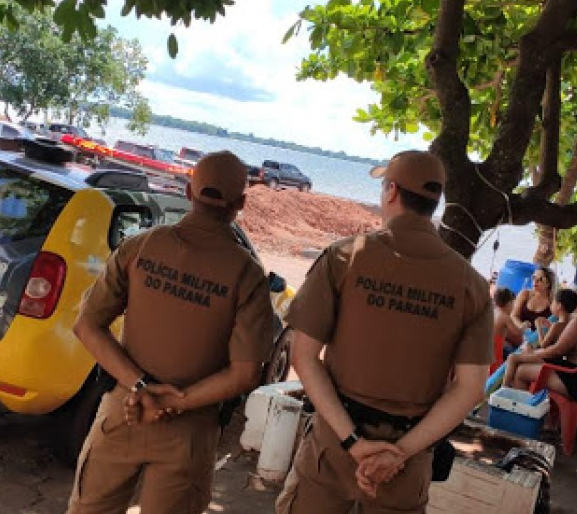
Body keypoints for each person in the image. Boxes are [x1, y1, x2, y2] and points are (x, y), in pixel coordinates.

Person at [276, 150, 492, 514]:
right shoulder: (471, 285)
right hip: (405, 464)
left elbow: (303, 357)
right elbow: (470, 388)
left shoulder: (344, 257)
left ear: (391, 192)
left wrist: (352, 442)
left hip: (332, 447)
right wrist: (399, 454)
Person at [66, 151, 274, 514]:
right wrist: (175, 402)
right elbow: (246, 372)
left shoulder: (140, 246)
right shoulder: (247, 273)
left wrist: (141, 386)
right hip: (189, 429)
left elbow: (86, 326)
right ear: (240, 203)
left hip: (125, 409)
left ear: (190, 192)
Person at [502, 279, 577, 402]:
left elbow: (557, 351)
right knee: (524, 365)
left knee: (521, 372)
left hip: (576, 381)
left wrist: (533, 353)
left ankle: (516, 411)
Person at [509, 267, 554, 351]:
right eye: (534, 277)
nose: (535, 281)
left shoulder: (552, 302)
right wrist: (521, 325)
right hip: (519, 336)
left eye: (540, 279)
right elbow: (514, 315)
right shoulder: (525, 294)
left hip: (537, 341)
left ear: (548, 284)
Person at [493, 288, 518, 361]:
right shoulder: (505, 317)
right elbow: (517, 332)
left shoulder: (494, 312)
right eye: (513, 303)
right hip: (497, 344)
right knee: (497, 360)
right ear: (509, 303)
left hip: (490, 342)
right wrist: (524, 326)